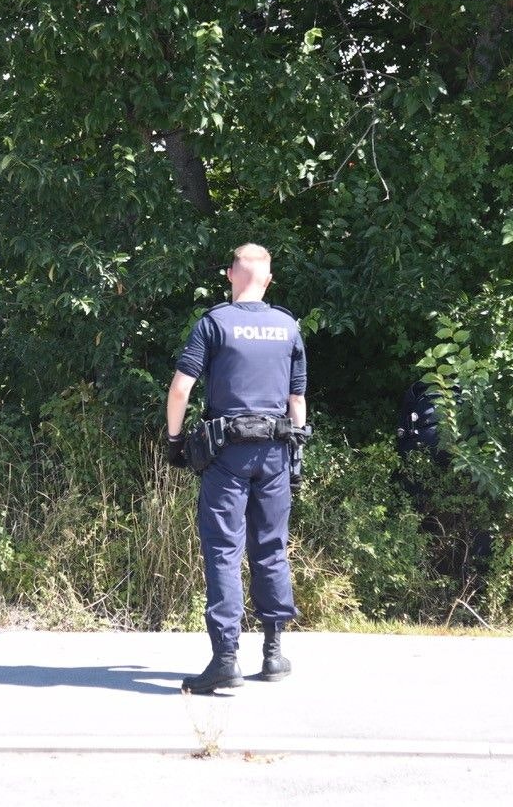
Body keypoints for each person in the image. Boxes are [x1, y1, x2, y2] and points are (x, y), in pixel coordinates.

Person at [165, 243, 309, 694]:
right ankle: (273, 653)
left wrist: (174, 442)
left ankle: (226, 658)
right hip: (276, 453)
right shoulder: (288, 327)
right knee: (270, 547)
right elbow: (297, 401)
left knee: (224, 551)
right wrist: (296, 456)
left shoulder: (214, 323)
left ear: (230, 274)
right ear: (268, 279)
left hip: (226, 454)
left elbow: (180, 389)